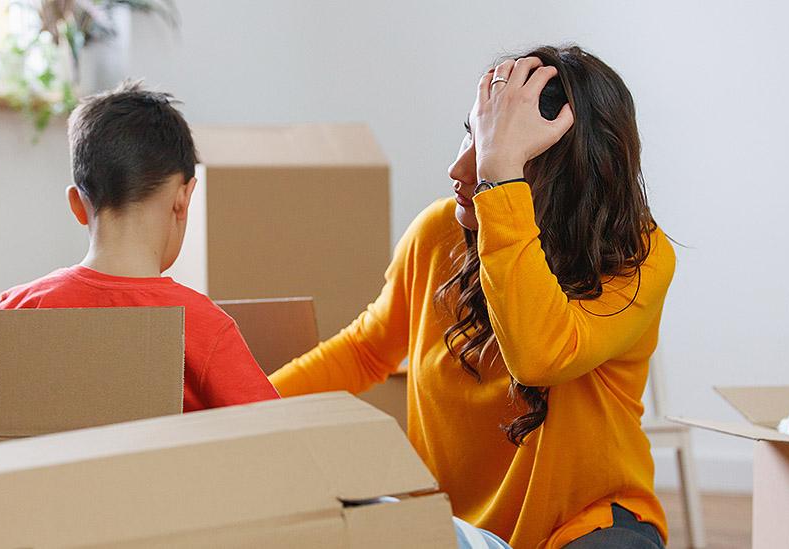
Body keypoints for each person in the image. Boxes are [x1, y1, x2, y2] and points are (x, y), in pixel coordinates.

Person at [270, 45, 673, 549]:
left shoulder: (636, 258)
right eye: (472, 133)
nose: (459, 168)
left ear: (565, 179)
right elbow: (365, 349)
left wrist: (500, 179)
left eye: (489, 149)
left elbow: (538, 357)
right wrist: (244, 408)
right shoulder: (437, 232)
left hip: (585, 526)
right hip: (456, 531)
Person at [0, 82, 278, 456]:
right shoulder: (201, 326)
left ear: (77, 204)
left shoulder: (20, 310)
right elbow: (284, 446)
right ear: (183, 198)